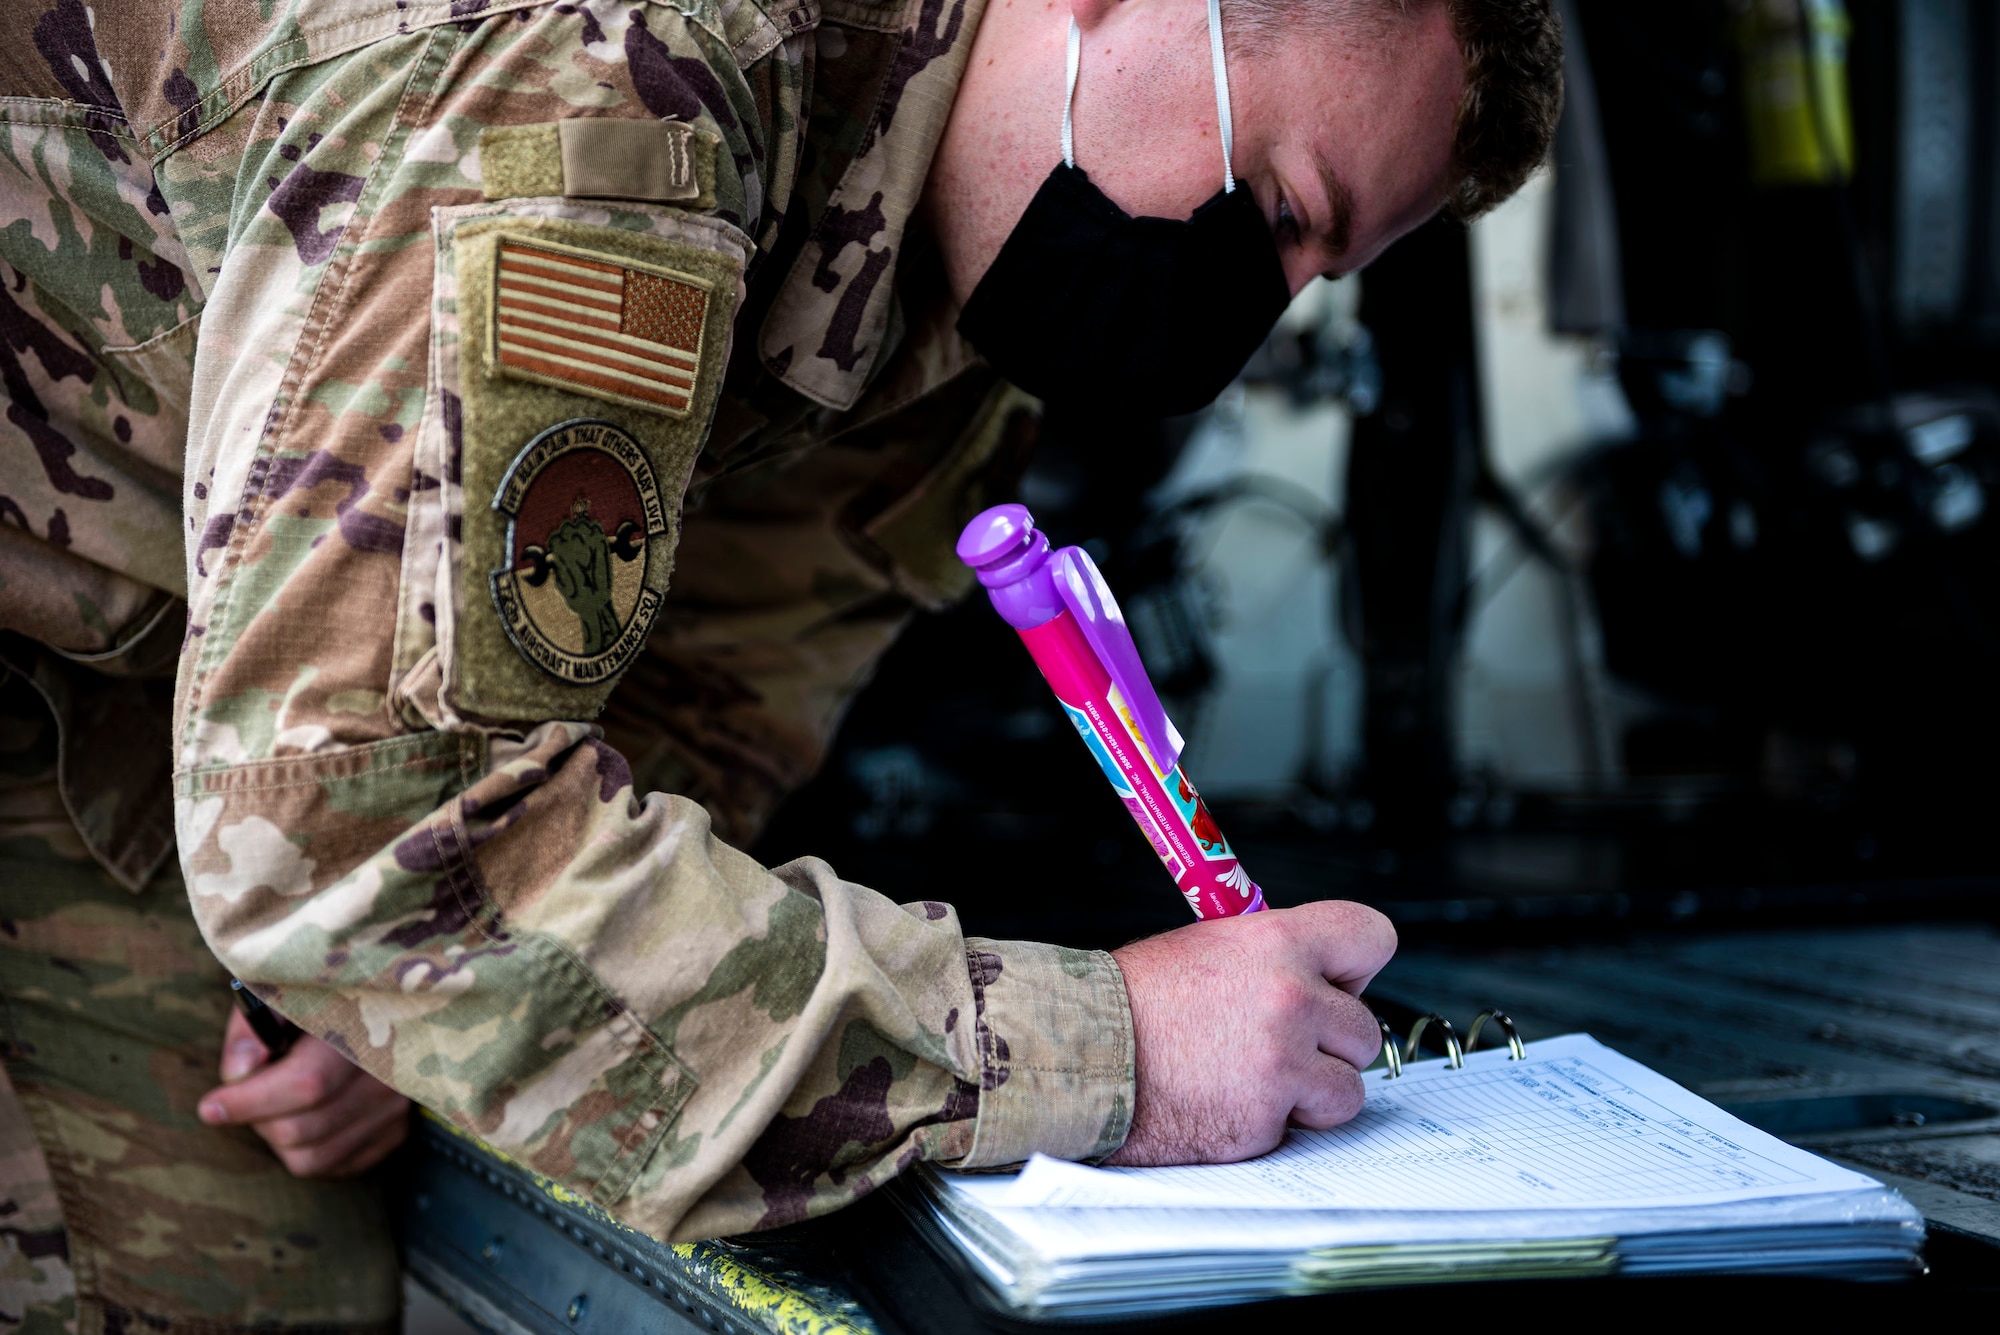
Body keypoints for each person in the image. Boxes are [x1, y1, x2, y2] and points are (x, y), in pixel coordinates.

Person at [0, 0, 1561, 1328]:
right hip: (134, 664)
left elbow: (700, 689)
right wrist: (1118, 1054)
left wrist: (461, 998)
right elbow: (366, 830)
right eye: (1285, 210)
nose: (1259, 308)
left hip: (135, 673)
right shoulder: (610, 82)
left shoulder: (965, 258)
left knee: (249, 1260)